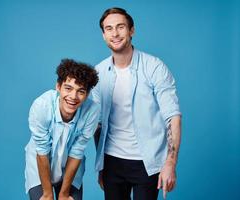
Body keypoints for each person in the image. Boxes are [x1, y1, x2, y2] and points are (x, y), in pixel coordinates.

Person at [92, 7, 182, 200]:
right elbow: (97, 123)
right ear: (103, 35)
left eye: (120, 27)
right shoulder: (98, 73)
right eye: (109, 28)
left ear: (131, 30)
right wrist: (101, 165)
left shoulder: (154, 67)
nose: (115, 33)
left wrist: (170, 163)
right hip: (112, 163)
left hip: (147, 163)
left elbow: (172, 116)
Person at [25, 59, 99, 200]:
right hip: (40, 163)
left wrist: (64, 194)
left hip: (70, 167)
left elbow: (77, 151)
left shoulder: (92, 111)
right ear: (58, 87)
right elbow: (42, 151)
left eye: (81, 91)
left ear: (87, 94)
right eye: (68, 88)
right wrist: (47, 194)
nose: (73, 97)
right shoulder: (41, 106)